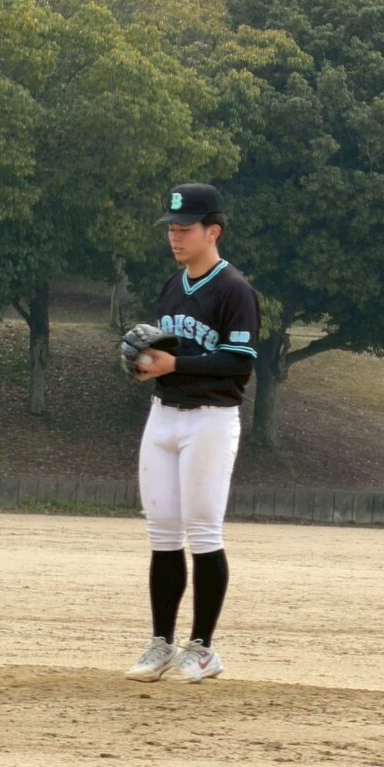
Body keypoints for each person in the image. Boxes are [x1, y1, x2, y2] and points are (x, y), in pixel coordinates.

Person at [125, 183, 260, 684]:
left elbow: (239, 363)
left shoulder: (234, 290)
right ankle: (161, 643)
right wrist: (147, 363)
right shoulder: (173, 285)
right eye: (172, 228)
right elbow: (170, 351)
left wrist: (175, 364)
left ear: (213, 231)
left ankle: (202, 648)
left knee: (203, 531)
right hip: (164, 415)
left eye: (185, 228)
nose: (175, 236)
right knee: (163, 532)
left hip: (210, 419)